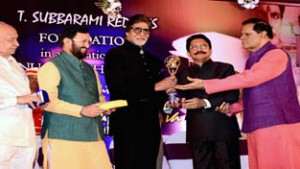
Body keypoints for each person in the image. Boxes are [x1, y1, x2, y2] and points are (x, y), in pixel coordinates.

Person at [175, 18, 300, 169]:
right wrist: (232, 108)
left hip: (277, 123)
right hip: (258, 125)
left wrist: (205, 84)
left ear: (263, 35)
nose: (241, 38)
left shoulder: (276, 55)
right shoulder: (253, 61)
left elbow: (250, 79)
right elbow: (253, 95)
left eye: (247, 34)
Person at [104, 14, 176, 169]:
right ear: (127, 32)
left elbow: (161, 93)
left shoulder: (154, 60)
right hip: (127, 121)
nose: (142, 34)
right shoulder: (115, 55)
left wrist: (167, 97)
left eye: (146, 31)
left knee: (149, 163)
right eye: (138, 29)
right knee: (128, 164)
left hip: (151, 121)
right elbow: (119, 89)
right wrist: (155, 87)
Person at [38, 26, 114, 169]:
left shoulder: (89, 69)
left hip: (94, 136)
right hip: (63, 136)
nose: (87, 45)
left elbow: (98, 96)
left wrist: (105, 107)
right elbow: (47, 102)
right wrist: (81, 110)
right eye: (83, 41)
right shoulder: (51, 67)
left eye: (89, 41)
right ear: (67, 42)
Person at [167, 34, 241, 169]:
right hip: (197, 130)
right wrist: (173, 100)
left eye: (203, 46)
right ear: (188, 53)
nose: (199, 49)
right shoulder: (182, 74)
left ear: (210, 50)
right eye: (193, 47)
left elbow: (232, 95)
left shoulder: (225, 68)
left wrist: (204, 102)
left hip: (222, 128)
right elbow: (180, 97)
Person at [0, 22, 42, 169]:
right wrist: (17, 100)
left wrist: (34, 99)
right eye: (11, 39)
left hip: (25, 136)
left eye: (17, 39)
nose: (17, 44)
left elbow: (25, 96)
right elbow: (18, 98)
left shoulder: (15, 64)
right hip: (3, 136)